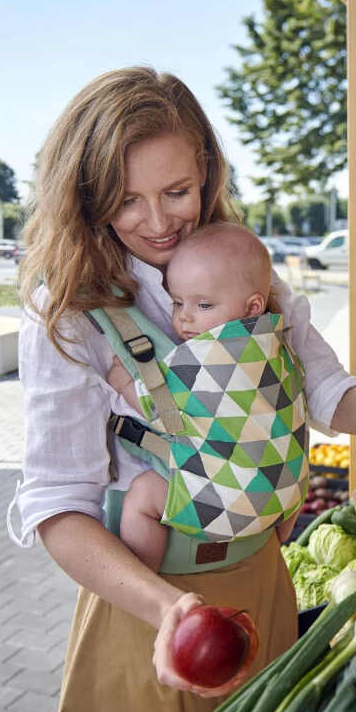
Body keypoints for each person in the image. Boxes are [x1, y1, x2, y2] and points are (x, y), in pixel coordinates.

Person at [7, 65, 356, 712]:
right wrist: (169, 610)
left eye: (176, 190)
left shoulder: (251, 278)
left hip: (263, 584)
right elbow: (58, 506)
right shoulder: (70, 312)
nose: (158, 221)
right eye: (127, 198)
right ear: (87, 196)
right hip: (148, 609)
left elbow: (332, 399)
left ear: (207, 172)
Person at [104, 221, 300, 572]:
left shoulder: (210, 359)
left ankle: (145, 572)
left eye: (204, 305)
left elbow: (164, 410)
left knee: (142, 497)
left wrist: (122, 384)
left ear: (252, 306)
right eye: (177, 302)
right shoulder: (277, 345)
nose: (185, 317)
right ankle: (278, 538)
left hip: (227, 508)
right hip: (283, 494)